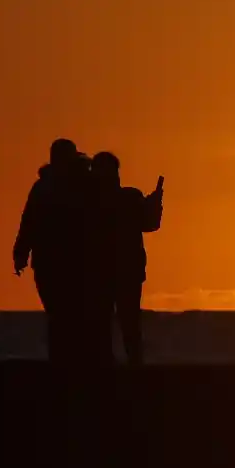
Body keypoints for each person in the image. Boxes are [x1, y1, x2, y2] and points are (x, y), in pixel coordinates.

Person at [13, 139, 95, 363]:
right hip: (54, 260)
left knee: (69, 314)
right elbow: (29, 221)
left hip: (72, 260)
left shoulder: (80, 184)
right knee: (62, 314)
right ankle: (63, 360)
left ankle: (68, 360)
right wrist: (21, 252)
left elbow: (28, 221)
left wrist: (21, 252)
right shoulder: (48, 186)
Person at [89, 152, 164, 365]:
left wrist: (155, 204)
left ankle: (121, 364)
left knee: (115, 323)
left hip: (115, 271)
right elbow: (150, 223)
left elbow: (149, 223)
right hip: (113, 271)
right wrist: (154, 205)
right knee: (119, 322)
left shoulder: (94, 201)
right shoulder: (126, 198)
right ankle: (126, 365)